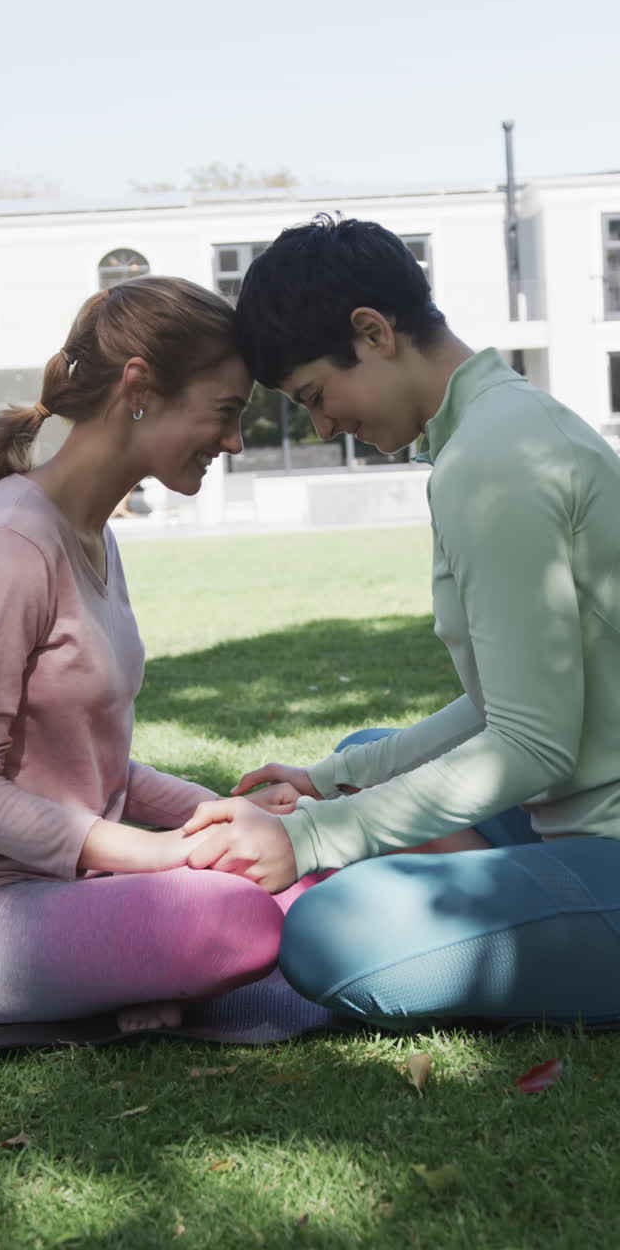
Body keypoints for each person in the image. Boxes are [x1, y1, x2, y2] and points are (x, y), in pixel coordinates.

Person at [181, 214, 620, 1032]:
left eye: (316, 395)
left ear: (373, 333)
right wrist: (332, 786)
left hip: (600, 822)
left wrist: (311, 837)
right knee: (356, 759)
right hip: (574, 796)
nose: (322, 426)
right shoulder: (495, 429)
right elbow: (509, 703)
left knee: (330, 932)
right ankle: (524, 890)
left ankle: (543, 901)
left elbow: (531, 742)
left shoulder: (495, 459)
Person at [0, 276, 316, 1034]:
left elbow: (89, 767)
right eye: (225, 413)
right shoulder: (6, 546)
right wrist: (153, 857)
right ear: (139, 388)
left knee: (303, 865)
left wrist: (219, 810)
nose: (233, 442)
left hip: (70, 889)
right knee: (238, 914)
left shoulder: (91, 531)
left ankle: (128, 966)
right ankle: (136, 960)